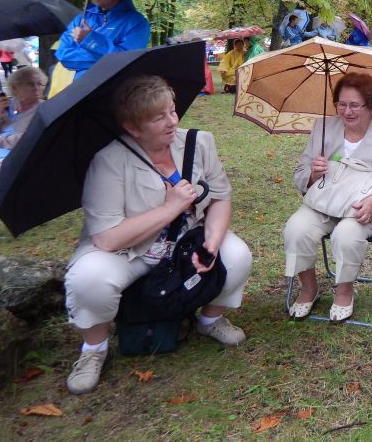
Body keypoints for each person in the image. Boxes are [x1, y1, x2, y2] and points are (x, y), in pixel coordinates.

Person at [62, 76, 252, 395]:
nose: (172, 121)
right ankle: (94, 349)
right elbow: (107, 238)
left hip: (185, 243)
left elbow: (220, 197)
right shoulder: (109, 161)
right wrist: (169, 208)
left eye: (172, 110)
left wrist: (212, 242)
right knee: (88, 278)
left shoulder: (198, 143)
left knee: (236, 256)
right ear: (132, 127)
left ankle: (210, 321)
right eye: (158, 117)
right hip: (128, 251)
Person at [283, 72, 372, 322]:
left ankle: (344, 292)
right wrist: (313, 173)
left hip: (366, 208)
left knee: (346, 234)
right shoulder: (323, 127)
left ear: (371, 105)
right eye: (341, 104)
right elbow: (299, 174)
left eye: (355, 105)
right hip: (325, 202)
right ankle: (309, 288)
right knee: (295, 229)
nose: (347, 111)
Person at [52, 0, 150, 93]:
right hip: (77, 91)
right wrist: (103, 62)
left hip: (111, 92)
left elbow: (125, 61)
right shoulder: (84, 17)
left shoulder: (136, 23)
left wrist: (90, 40)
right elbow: (62, 54)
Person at [0, 67, 47, 197]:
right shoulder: (6, 105)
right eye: (30, 84)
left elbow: (28, 140)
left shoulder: (45, 108)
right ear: (15, 87)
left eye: (39, 84)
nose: (36, 88)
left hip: (14, 164)